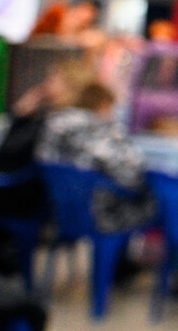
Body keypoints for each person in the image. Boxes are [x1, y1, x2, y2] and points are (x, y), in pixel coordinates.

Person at [35, 81, 154, 234]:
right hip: (96, 213)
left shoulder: (55, 121)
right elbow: (129, 170)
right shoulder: (99, 128)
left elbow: (43, 158)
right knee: (151, 200)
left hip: (55, 210)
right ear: (104, 105)